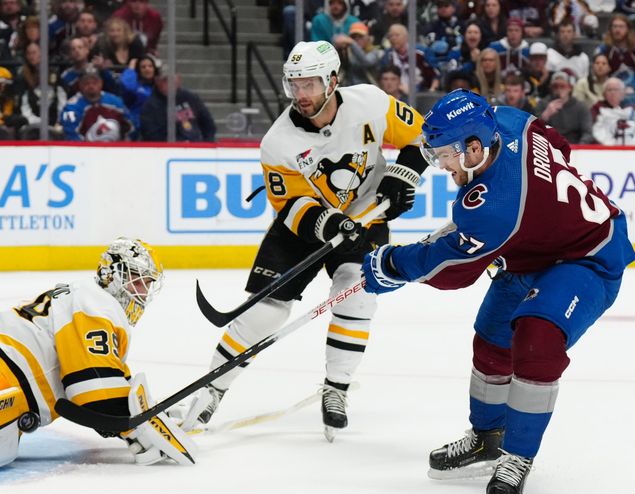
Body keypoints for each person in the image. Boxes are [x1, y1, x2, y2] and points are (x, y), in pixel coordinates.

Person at [359, 89, 635, 494]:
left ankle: (517, 455)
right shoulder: (508, 120)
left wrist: (391, 264)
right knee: (492, 336)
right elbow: (557, 145)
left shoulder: (493, 209)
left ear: (473, 147)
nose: (441, 166)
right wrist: (530, 222)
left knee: (536, 339)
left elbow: (450, 269)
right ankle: (487, 437)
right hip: (534, 248)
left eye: (445, 156)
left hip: (589, 256)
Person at [176, 41, 428, 442]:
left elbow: (424, 136)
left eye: (309, 83)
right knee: (265, 314)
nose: (301, 95)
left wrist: (404, 174)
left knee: (356, 292)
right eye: (294, 85)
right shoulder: (278, 142)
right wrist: (331, 226)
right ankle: (211, 390)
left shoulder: (370, 103)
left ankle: (336, 390)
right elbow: (292, 207)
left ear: (333, 79)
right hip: (304, 226)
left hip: (365, 213)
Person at [0, 238, 198, 469]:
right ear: (111, 274)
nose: (143, 293)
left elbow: (110, 385)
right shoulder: (96, 303)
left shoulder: (84, 296)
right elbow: (94, 393)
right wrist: (140, 426)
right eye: (138, 281)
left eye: (148, 283)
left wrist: (148, 409)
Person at [139, 66, 215, 142]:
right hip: (167, 150)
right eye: (165, 80)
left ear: (178, 79)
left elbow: (208, 124)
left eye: (172, 79)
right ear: (157, 81)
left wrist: (206, 144)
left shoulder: (191, 98)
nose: (169, 83)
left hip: (196, 147)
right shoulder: (150, 107)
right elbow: (151, 135)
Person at [535, 71, 594, 143]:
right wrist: (545, 115)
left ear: (570, 88)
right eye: (555, 86)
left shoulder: (581, 107)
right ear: (551, 88)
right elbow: (533, 131)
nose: (559, 89)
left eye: (562, 86)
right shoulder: (542, 104)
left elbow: (587, 132)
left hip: (574, 146)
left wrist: (580, 147)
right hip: (549, 146)